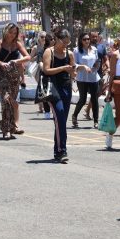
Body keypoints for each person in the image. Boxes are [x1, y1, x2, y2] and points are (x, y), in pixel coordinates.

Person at [0, 23, 30, 138]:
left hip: (14, 76)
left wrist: (16, 61)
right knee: (5, 100)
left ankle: (9, 125)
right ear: (5, 31)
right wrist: (1, 63)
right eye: (10, 32)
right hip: (2, 75)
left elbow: (27, 57)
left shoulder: (17, 44)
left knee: (12, 101)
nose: (12, 35)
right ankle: (6, 129)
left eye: (14, 33)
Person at [41, 29, 75, 162]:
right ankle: (62, 150)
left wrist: (74, 71)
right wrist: (63, 68)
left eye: (68, 43)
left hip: (66, 88)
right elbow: (46, 70)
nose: (65, 45)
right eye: (63, 42)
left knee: (61, 121)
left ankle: (57, 150)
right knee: (60, 116)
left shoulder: (70, 54)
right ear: (56, 39)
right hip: (53, 89)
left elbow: (73, 72)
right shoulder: (49, 52)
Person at [72, 32, 101, 128]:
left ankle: (96, 121)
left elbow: (97, 61)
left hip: (93, 77)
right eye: (84, 39)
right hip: (82, 78)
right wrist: (83, 66)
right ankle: (74, 115)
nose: (87, 41)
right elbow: (74, 64)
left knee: (94, 99)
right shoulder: (76, 51)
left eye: (88, 39)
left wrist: (96, 67)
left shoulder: (94, 50)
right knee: (83, 99)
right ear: (81, 40)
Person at [30, 32, 52, 118]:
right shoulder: (36, 47)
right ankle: (41, 106)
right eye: (42, 37)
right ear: (38, 38)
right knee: (41, 86)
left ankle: (42, 106)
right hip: (39, 69)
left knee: (44, 87)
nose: (44, 38)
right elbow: (30, 59)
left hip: (48, 67)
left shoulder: (50, 46)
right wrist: (38, 56)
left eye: (45, 37)